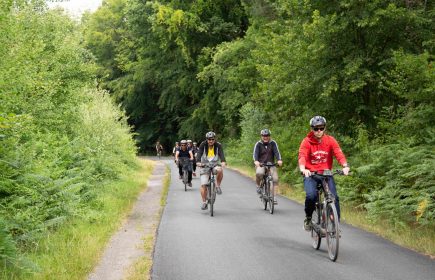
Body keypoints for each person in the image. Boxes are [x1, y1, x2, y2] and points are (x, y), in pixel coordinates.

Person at [298, 116, 350, 231]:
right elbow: (302, 156)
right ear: (312, 129)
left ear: (324, 128)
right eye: (316, 129)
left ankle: (336, 224)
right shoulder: (306, 142)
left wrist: (345, 166)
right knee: (311, 196)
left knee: (334, 197)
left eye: (321, 128)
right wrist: (303, 169)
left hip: (326, 174)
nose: (319, 131)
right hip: (311, 174)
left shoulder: (330, 140)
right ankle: (308, 218)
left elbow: (338, 153)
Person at [196, 131, 226, 210]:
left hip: (215, 164)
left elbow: (221, 154)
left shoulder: (218, 145)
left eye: (212, 139)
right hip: (205, 165)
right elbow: (199, 154)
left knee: (220, 170)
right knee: (203, 185)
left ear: (214, 139)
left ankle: (218, 186)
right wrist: (198, 162)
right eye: (209, 139)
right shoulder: (203, 144)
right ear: (207, 139)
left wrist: (223, 162)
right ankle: (204, 202)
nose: (211, 141)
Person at [253, 129, 283, 204]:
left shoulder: (273, 143)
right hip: (261, 164)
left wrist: (279, 160)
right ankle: (258, 186)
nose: (265, 137)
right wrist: (256, 161)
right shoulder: (258, 144)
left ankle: (274, 197)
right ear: (261, 136)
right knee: (259, 173)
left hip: (271, 164)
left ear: (269, 136)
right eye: (264, 136)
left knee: (275, 179)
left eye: (267, 136)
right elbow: (255, 154)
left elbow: (277, 152)